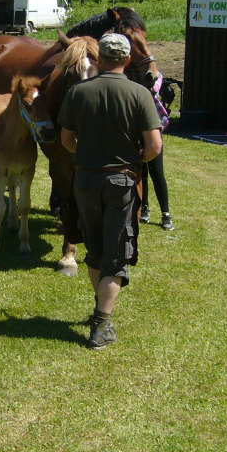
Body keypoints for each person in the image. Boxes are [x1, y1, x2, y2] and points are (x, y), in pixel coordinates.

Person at [58, 33, 163, 349]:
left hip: (86, 181)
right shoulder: (139, 94)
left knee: (96, 249)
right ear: (128, 60)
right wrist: (135, 160)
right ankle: (100, 326)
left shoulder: (78, 93)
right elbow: (155, 146)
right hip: (121, 182)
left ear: (99, 58)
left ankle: (101, 306)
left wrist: (86, 157)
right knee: (117, 256)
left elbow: (66, 140)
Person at [140, 71, 174, 231]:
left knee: (157, 173)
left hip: (152, 129)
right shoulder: (130, 78)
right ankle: (144, 207)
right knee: (141, 173)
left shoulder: (155, 76)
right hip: (136, 129)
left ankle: (165, 213)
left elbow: (155, 87)